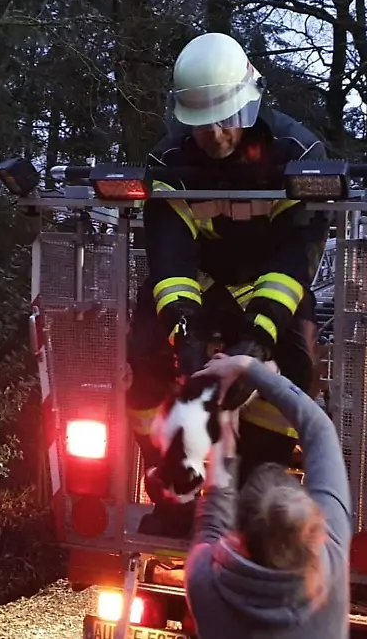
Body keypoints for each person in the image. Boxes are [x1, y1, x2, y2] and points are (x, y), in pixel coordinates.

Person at [128, 31, 332, 537]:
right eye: (202, 125)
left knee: (297, 369)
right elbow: (169, 258)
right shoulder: (167, 164)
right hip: (199, 285)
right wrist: (184, 334)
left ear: (250, 101)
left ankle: (254, 492)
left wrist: (258, 339)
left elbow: (295, 257)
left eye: (226, 120)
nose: (216, 135)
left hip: (270, 283)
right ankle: (171, 487)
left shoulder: (298, 153)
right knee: (145, 360)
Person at [184, 353, 351, 639]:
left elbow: (211, 522)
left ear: (241, 533)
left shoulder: (332, 554)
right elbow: (318, 429)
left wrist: (246, 368)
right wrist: (251, 368)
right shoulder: (203, 582)